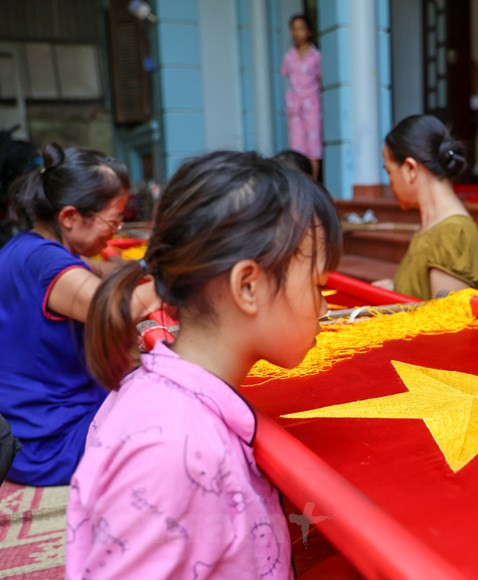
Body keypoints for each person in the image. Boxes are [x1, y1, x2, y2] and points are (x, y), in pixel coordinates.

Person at [67, 152, 342, 577]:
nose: (325, 308)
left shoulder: (171, 406)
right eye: (318, 286)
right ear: (247, 286)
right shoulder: (173, 452)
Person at [0, 143, 158, 486]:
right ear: (70, 217)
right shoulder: (47, 262)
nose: (115, 232)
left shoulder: (27, 247)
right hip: (52, 443)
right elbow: (115, 312)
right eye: (113, 221)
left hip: (25, 429)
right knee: (177, 415)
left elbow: (103, 270)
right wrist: (183, 280)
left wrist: (143, 266)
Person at [375, 114, 478, 300]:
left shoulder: (452, 233)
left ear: (410, 169)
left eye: (389, 172)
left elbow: (446, 316)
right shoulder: (435, 226)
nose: (390, 183)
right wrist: (395, 287)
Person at [280, 14, 322, 180]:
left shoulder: (316, 56)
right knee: (297, 148)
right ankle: (300, 185)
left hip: (312, 106)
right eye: (294, 29)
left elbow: (320, 78)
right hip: (295, 108)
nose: (297, 33)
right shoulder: (288, 57)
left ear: (309, 32)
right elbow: (286, 74)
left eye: (301, 28)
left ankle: (314, 185)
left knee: (313, 148)